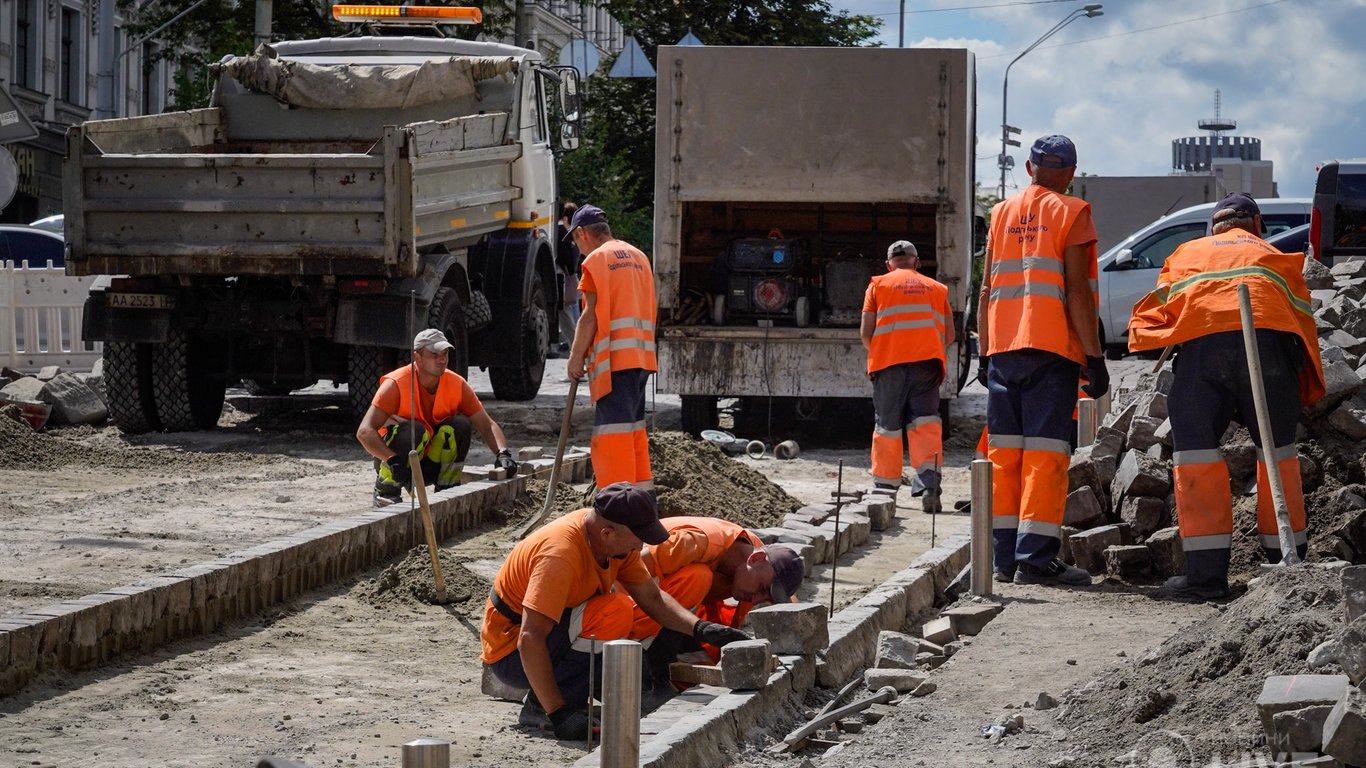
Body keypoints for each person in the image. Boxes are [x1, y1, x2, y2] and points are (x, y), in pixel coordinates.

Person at [1128, 192, 1324, 599]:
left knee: (1196, 456)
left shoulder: (1186, 254)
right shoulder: (1275, 256)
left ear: (1212, 226)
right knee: (1278, 454)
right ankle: (1286, 564)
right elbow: (1304, 330)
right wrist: (1299, 387)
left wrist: (1157, 340)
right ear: (1255, 226)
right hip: (1268, 350)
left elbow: (1151, 317)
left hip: (1203, 353)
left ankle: (1205, 578)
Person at [481, 483, 750, 739]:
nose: (640, 547)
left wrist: (701, 629)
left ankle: (566, 699)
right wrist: (559, 714)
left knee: (616, 612)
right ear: (607, 533)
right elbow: (530, 638)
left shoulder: (614, 545)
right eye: (637, 540)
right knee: (614, 612)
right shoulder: (560, 556)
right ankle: (543, 707)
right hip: (512, 655)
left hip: (550, 635)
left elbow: (653, 599)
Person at [976, 134, 1105, 587]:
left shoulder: (1000, 213)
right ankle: (1035, 561)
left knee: (1004, 457)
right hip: (1051, 352)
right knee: (1045, 457)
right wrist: (1094, 356)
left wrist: (983, 348)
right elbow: (1075, 292)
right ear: (1070, 174)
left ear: (1029, 169)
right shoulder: (1072, 212)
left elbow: (988, 288)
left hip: (1003, 353)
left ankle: (1004, 560)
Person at [627, 516, 804, 705]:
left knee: (712, 657)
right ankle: (643, 669)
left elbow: (789, 603)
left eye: (765, 597)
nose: (756, 600)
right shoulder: (695, 542)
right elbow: (625, 572)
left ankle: (668, 664)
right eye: (762, 589)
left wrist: (802, 636)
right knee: (698, 578)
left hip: (676, 616)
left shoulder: (755, 555)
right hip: (630, 602)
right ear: (756, 559)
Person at [356, 328, 518, 506]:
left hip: (430, 463)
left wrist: (503, 454)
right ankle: (386, 491)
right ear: (417, 357)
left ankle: (447, 490)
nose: (442, 359)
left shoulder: (456, 384)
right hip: (396, 464)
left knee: (460, 425)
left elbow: (487, 425)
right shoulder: (395, 384)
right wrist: (392, 460)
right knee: (414, 430)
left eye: (445, 353)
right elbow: (364, 432)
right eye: (434, 354)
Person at [565, 204, 658, 491]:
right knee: (633, 434)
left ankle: (616, 503)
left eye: (575, 241)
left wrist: (575, 356)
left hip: (616, 361)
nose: (577, 248)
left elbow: (590, 315)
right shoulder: (639, 256)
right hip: (641, 359)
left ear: (582, 233)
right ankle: (640, 499)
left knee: (612, 437)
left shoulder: (596, 260)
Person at [860, 240, 955, 514]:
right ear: (917, 262)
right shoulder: (936, 289)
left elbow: (866, 332)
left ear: (889, 263)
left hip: (889, 366)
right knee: (925, 424)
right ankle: (929, 487)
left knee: (888, 427)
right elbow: (948, 335)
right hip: (926, 366)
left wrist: (886, 350)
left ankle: (885, 491)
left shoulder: (878, 285)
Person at [555, 202, 582, 353]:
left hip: (563, 279)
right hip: (570, 279)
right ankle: (578, 347)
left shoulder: (559, 232)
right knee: (573, 314)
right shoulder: (573, 234)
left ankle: (577, 350)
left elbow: (564, 258)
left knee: (566, 317)